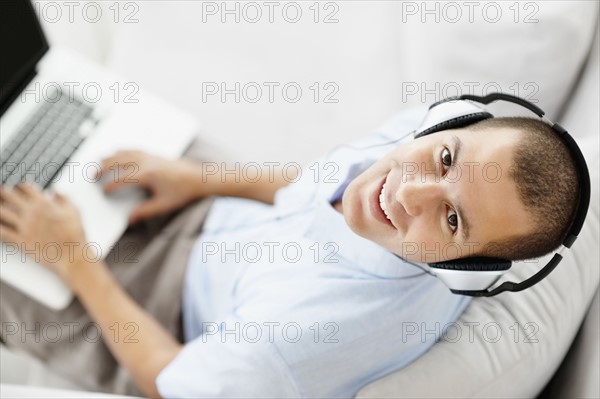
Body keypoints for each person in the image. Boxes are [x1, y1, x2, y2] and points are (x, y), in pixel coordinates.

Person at [0, 107, 579, 398]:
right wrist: (199, 178)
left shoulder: (295, 342)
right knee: (54, 114)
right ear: (453, 122)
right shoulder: (418, 143)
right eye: (446, 160)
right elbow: (316, 184)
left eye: (452, 219)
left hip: (154, 318)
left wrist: (75, 260)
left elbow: (171, 379)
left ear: (467, 267)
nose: (406, 192)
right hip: (219, 222)